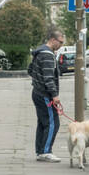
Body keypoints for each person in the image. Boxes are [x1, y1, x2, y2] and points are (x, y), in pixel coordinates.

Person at [29, 27, 64, 161]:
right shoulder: (48, 55)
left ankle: (40, 151)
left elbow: (30, 70)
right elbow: (49, 78)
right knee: (53, 123)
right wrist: (54, 95)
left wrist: (37, 80)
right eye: (60, 42)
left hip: (36, 92)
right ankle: (45, 151)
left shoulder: (39, 52)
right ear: (53, 39)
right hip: (44, 95)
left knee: (43, 123)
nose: (61, 45)